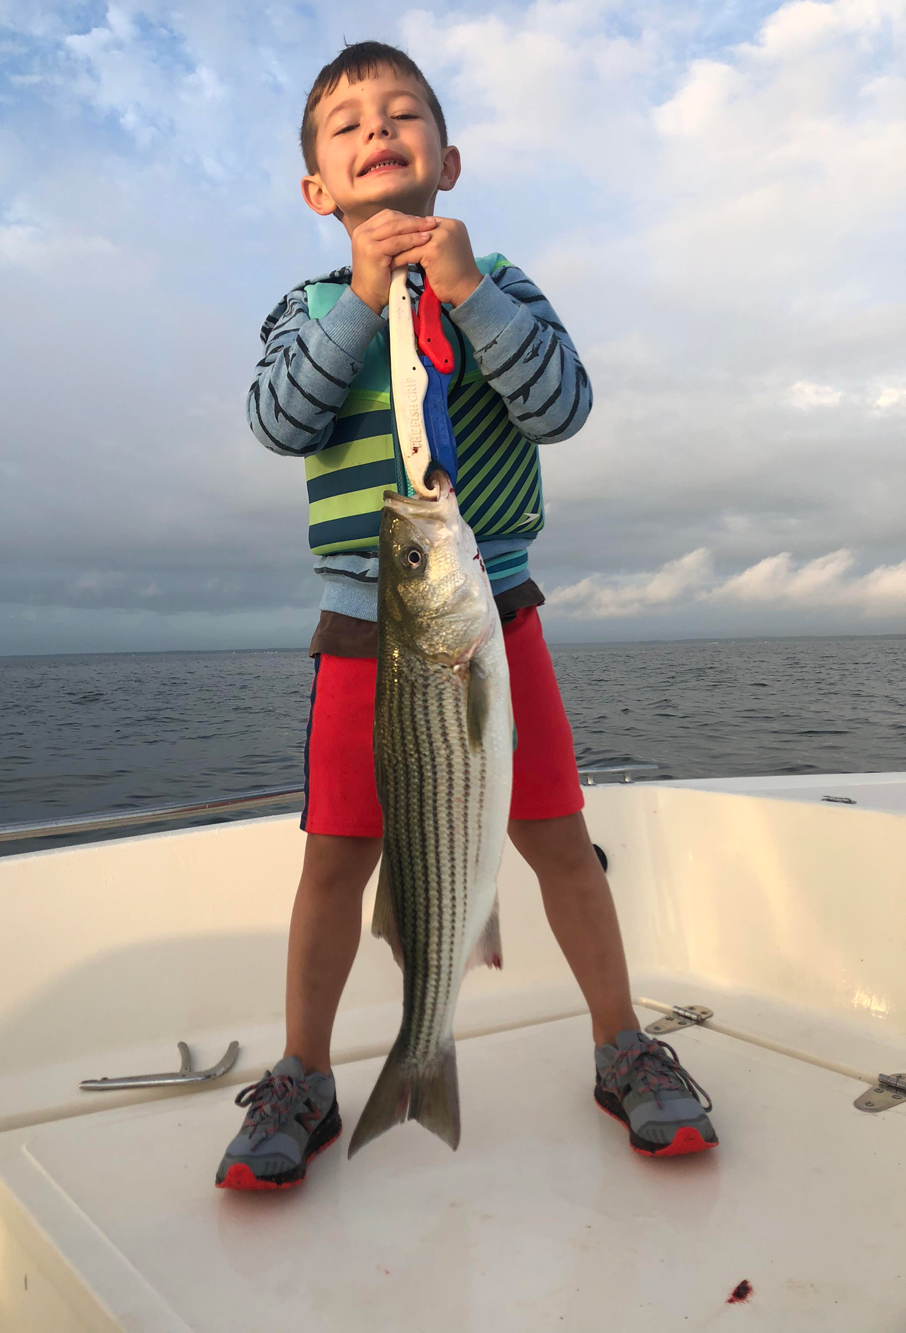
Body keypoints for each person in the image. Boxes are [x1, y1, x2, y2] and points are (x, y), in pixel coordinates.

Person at [216, 41, 716, 1193]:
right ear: (317, 190)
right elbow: (279, 422)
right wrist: (356, 295)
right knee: (337, 854)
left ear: (448, 159)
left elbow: (560, 406)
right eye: (346, 127)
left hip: (492, 613)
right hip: (363, 623)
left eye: (401, 116)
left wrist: (467, 294)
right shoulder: (303, 310)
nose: (374, 131)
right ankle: (304, 1071)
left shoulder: (498, 279)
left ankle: (621, 1043)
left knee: (554, 837)